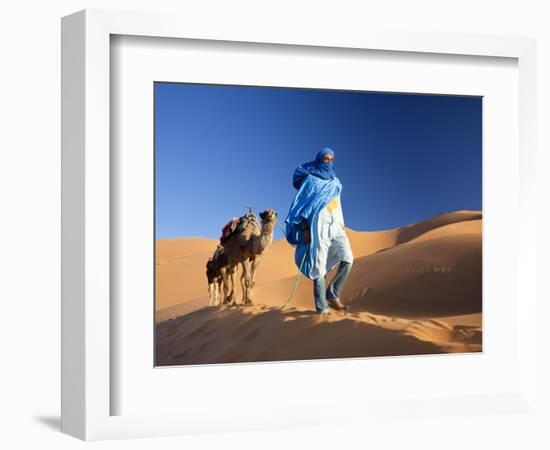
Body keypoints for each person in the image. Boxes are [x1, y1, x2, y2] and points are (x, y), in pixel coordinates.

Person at [284, 147, 354, 315]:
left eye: (331, 160)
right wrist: (304, 228)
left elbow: (338, 204)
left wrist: (341, 224)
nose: (329, 162)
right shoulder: (311, 180)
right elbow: (302, 204)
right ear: (319, 160)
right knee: (319, 266)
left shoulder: (336, 183)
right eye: (325, 159)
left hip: (335, 225)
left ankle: (333, 293)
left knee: (348, 258)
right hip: (318, 225)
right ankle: (322, 309)